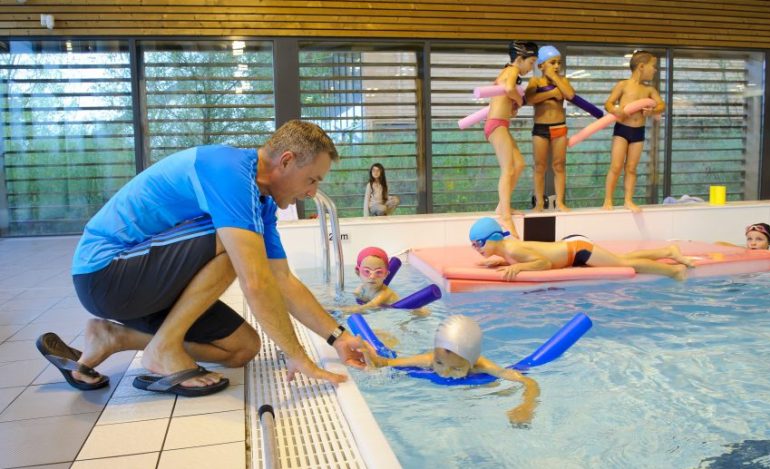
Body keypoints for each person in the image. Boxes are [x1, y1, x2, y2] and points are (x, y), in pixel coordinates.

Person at [36, 119, 365, 397]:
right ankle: (163, 349)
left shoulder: (260, 203)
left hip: (143, 284)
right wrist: (297, 356)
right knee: (234, 244)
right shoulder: (228, 171)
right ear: (287, 161)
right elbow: (254, 281)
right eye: (312, 179)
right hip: (106, 272)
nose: (311, 192)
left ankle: (117, 337)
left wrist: (339, 337)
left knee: (241, 349)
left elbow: (283, 280)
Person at [360, 315, 540, 425]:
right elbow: (388, 363)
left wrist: (526, 406)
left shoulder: (481, 365)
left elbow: (528, 381)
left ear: (472, 362)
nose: (444, 373)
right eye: (439, 364)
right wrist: (373, 362)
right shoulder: (430, 359)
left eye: (456, 368)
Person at [468, 217, 693, 281]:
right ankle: (668, 252)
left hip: (578, 250)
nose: (477, 249)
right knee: (620, 257)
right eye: (474, 245)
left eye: (479, 243)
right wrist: (503, 262)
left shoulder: (513, 249)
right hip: (572, 251)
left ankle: (673, 272)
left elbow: (543, 264)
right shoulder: (507, 251)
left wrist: (517, 269)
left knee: (624, 264)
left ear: (495, 238)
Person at [485, 40, 539, 238]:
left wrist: (512, 106)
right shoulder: (512, 70)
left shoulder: (507, 73)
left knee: (519, 164)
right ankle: (505, 216)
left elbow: (506, 93)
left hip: (501, 123)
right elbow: (509, 89)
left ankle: (502, 206)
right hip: (496, 124)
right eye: (531, 62)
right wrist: (519, 100)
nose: (531, 67)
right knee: (508, 169)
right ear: (519, 59)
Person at [602, 50, 665, 213]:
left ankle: (628, 200)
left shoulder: (649, 90)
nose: (655, 70)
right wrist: (616, 110)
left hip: (638, 132)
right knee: (616, 166)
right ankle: (608, 199)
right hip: (622, 130)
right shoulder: (623, 85)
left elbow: (661, 105)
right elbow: (608, 103)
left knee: (631, 168)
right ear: (642, 66)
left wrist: (652, 111)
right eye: (654, 66)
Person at [525, 45, 575, 213]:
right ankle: (539, 202)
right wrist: (551, 93)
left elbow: (570, 95)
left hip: (559, 126)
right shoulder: (535, 81)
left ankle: (560, 202)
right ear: (540, 65)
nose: (556, 66)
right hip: (540, 128)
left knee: (559, 165)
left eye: (558, 63)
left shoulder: (564, 81)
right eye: (552, 62)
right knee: (539, 166)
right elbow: (530, 99)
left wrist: (556, 78)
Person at [341, 247, 429, 316]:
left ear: (386, 275)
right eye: (367, 271)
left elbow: (366, 309)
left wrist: (338, 310)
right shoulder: (360, 289)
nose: (372, 277)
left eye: (378, 272)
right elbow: (352, 300)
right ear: (357, 272)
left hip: (410, 311)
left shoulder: (383, 294)